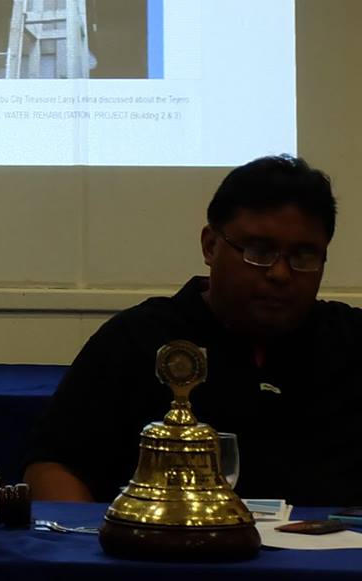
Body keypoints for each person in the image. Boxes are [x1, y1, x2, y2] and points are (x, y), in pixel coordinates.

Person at [24, 154, 362, 505]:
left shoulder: (352, 342)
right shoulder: (136, 339)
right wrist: (86, 537)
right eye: (259, 251)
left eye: (303, 256)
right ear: (210, 245)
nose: (280, 273)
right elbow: (54, 466)